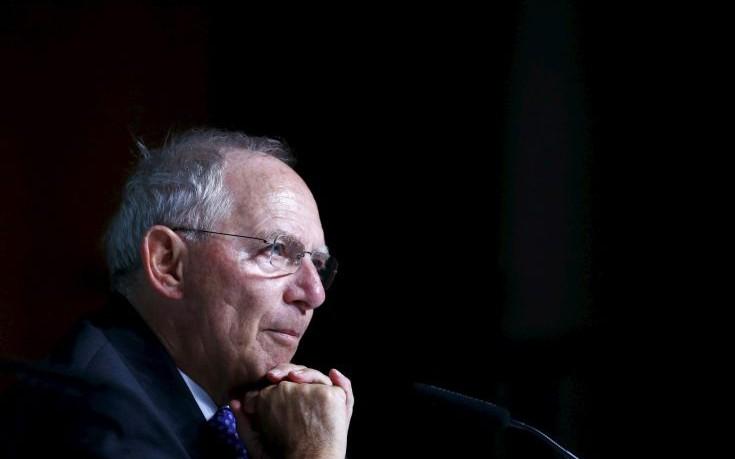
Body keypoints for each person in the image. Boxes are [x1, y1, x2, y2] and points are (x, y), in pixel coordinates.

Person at [0, 129, 353, 458]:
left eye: (318, 264)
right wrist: (315, 452)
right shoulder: (102, 422)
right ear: (167, 263)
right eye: (276, 250)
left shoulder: (195, 407)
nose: (314, 293)